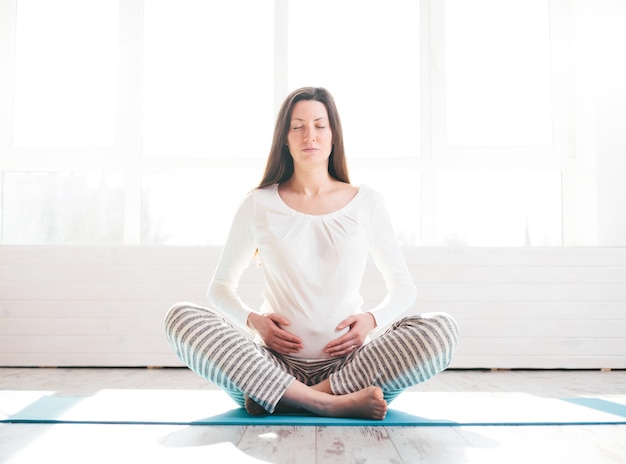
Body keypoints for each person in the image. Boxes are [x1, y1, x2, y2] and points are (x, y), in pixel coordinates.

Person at [165, 87, 459, 420]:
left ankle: (294, 398)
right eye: (298, 126)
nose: (310, 135)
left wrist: (371, 322)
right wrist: (255, 322)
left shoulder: (368, 203)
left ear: (334, 137)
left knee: (442, 329)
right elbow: (219, 287)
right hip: (270, 365)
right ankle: (328, 404)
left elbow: (404, 288)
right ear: (284, 139)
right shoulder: (257, 204)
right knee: (182, 317)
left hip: (350, 370)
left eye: (320, 125)